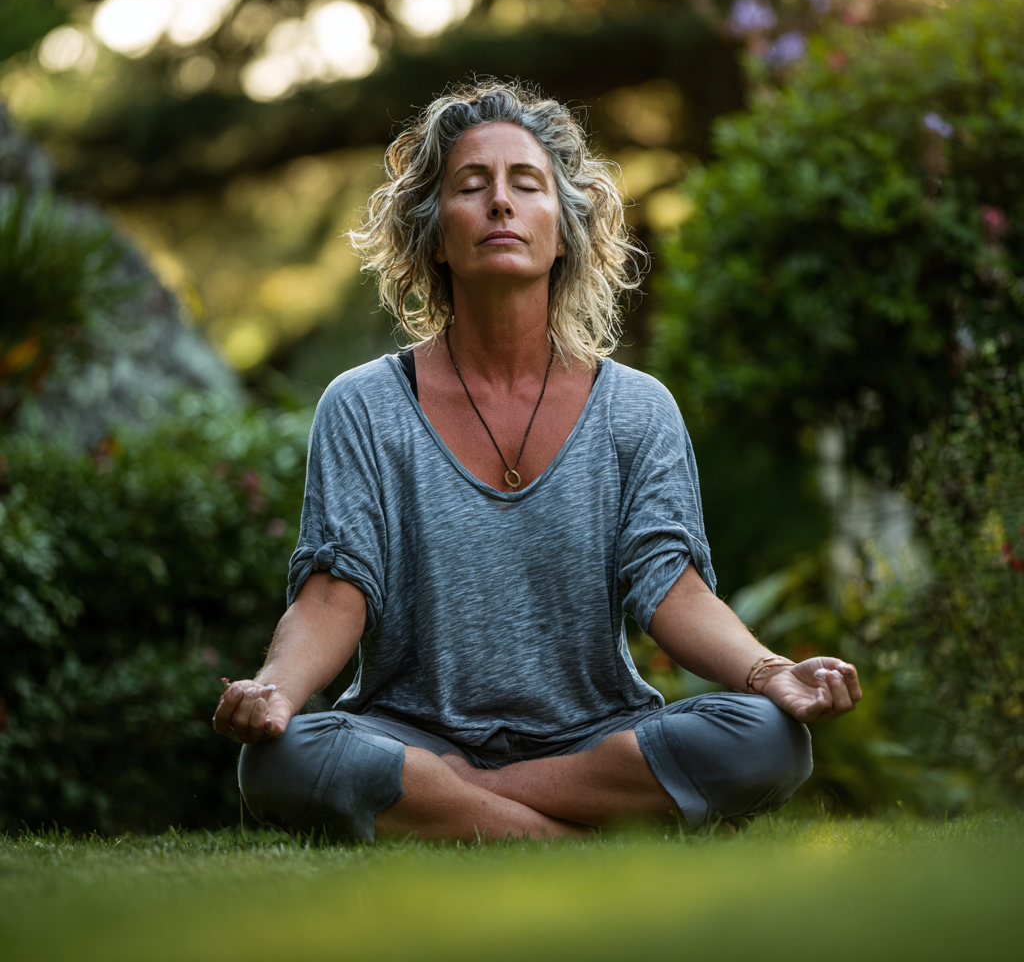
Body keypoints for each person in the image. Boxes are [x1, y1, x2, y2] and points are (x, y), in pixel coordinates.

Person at [212, 80, 861, 842]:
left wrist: (768, 673)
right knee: (279, 760)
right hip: (412, 734)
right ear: (433, 233)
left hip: (595, 735)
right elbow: (331, 596)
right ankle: (566, 838)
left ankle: (454, 810)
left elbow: (672, 590)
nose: (499, 202)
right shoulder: (363, 408)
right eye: (470, 185)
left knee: (770, 737)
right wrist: (278, 693)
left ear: (563, 232)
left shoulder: (636, 409)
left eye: (526, 184)